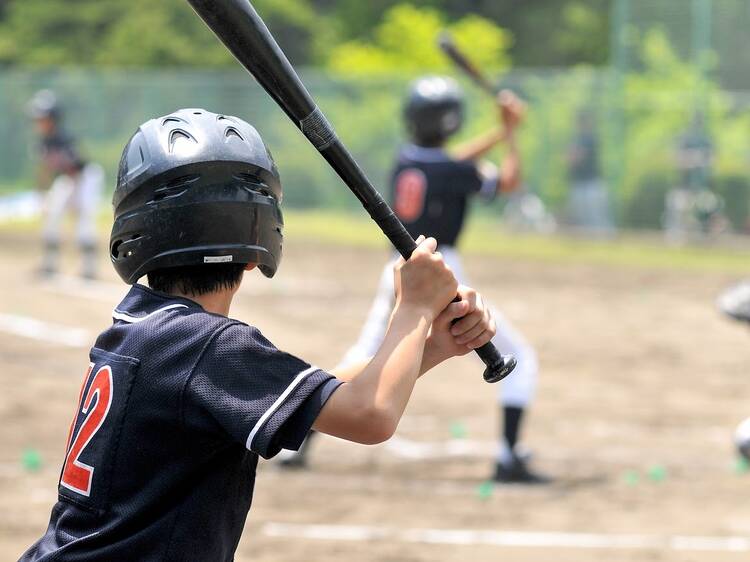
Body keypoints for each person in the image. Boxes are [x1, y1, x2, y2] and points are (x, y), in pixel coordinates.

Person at [19, 108, 497, 561]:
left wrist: (431, 344)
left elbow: (324, 400)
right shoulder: (206, 345)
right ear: (257, 247)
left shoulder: (142, 327)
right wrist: (413, 307)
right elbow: (370, 416)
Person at [282, 76, 548, 484]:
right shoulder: (453, 169)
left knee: (365, 355)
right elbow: (508, 181)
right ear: (452, 120)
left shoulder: (409, 160)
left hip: (398, 268)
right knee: (520, 358)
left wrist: (500, 130)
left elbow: (455, 161)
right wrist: (509, 132)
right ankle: (509, 456)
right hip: (441, 269)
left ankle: (298, 439)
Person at [28, 89, 104, 279]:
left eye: (43, 118)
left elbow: (75, 168)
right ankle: (49, 263)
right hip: (68, 179)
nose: (39, 122)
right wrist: (42, 195)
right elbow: (44, 170)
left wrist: (74, 199)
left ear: (53, 118)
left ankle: (89, 267)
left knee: (84, 219)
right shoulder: (42, 143)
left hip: (86, 178)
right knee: (52, 214)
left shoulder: (64, 139)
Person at [664, 112, 723, 242]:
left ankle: (705, 237)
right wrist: (691, 159)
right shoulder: (685, 139)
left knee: (711, 207)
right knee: (678, 205)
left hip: (703, 188)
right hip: (684, 186)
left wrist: (702, 160)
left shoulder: (706, 140)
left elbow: (713, 159)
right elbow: (677, 159)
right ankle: (676, 235)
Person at [565, 111, 613, 235]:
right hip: (579, 183)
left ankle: (605, 242)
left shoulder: (591, 139)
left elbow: (575, 157)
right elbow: (570, 158)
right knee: (582, 219)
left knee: (596, 217)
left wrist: (572, 155)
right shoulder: (577, 139)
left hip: (592, 184)